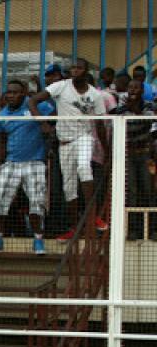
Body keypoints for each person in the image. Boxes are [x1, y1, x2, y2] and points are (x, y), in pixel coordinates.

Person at [29, 58, 109, 242]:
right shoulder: (61, 86)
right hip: (64, 142)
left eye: (78, 68)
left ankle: (92, 216)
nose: (74, 71)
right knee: (69, 188)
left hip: (84, 137)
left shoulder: (95, 95)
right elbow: (33, 101)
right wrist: (42, 124)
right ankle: (75, 227)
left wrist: (106, 150)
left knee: (84, 168)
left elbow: (100, 125)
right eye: (72, 68)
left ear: (86, 71)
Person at [0, 80, 54, 255]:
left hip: (35, 162)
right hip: (11, 163)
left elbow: (52, 115)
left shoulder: (33, 106)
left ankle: (38, 240)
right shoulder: (2, 116)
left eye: (15, 92)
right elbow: (1, 141)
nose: (11, 95)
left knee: (36, 201)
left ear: (24, 93)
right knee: (0, 199)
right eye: (8, 92)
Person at [110, 80, 157, 240]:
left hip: (145, 155)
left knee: (148, 192)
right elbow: (127, 127)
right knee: (132, 193)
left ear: (142, 90)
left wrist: (135, 113)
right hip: (129, 155)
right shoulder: (121, 108)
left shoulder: (149, 106)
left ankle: (152, 230)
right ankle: (133, 230)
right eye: (130, 87)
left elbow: (147, 122)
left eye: (136, 87)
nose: (133, 90)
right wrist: (136, 117)